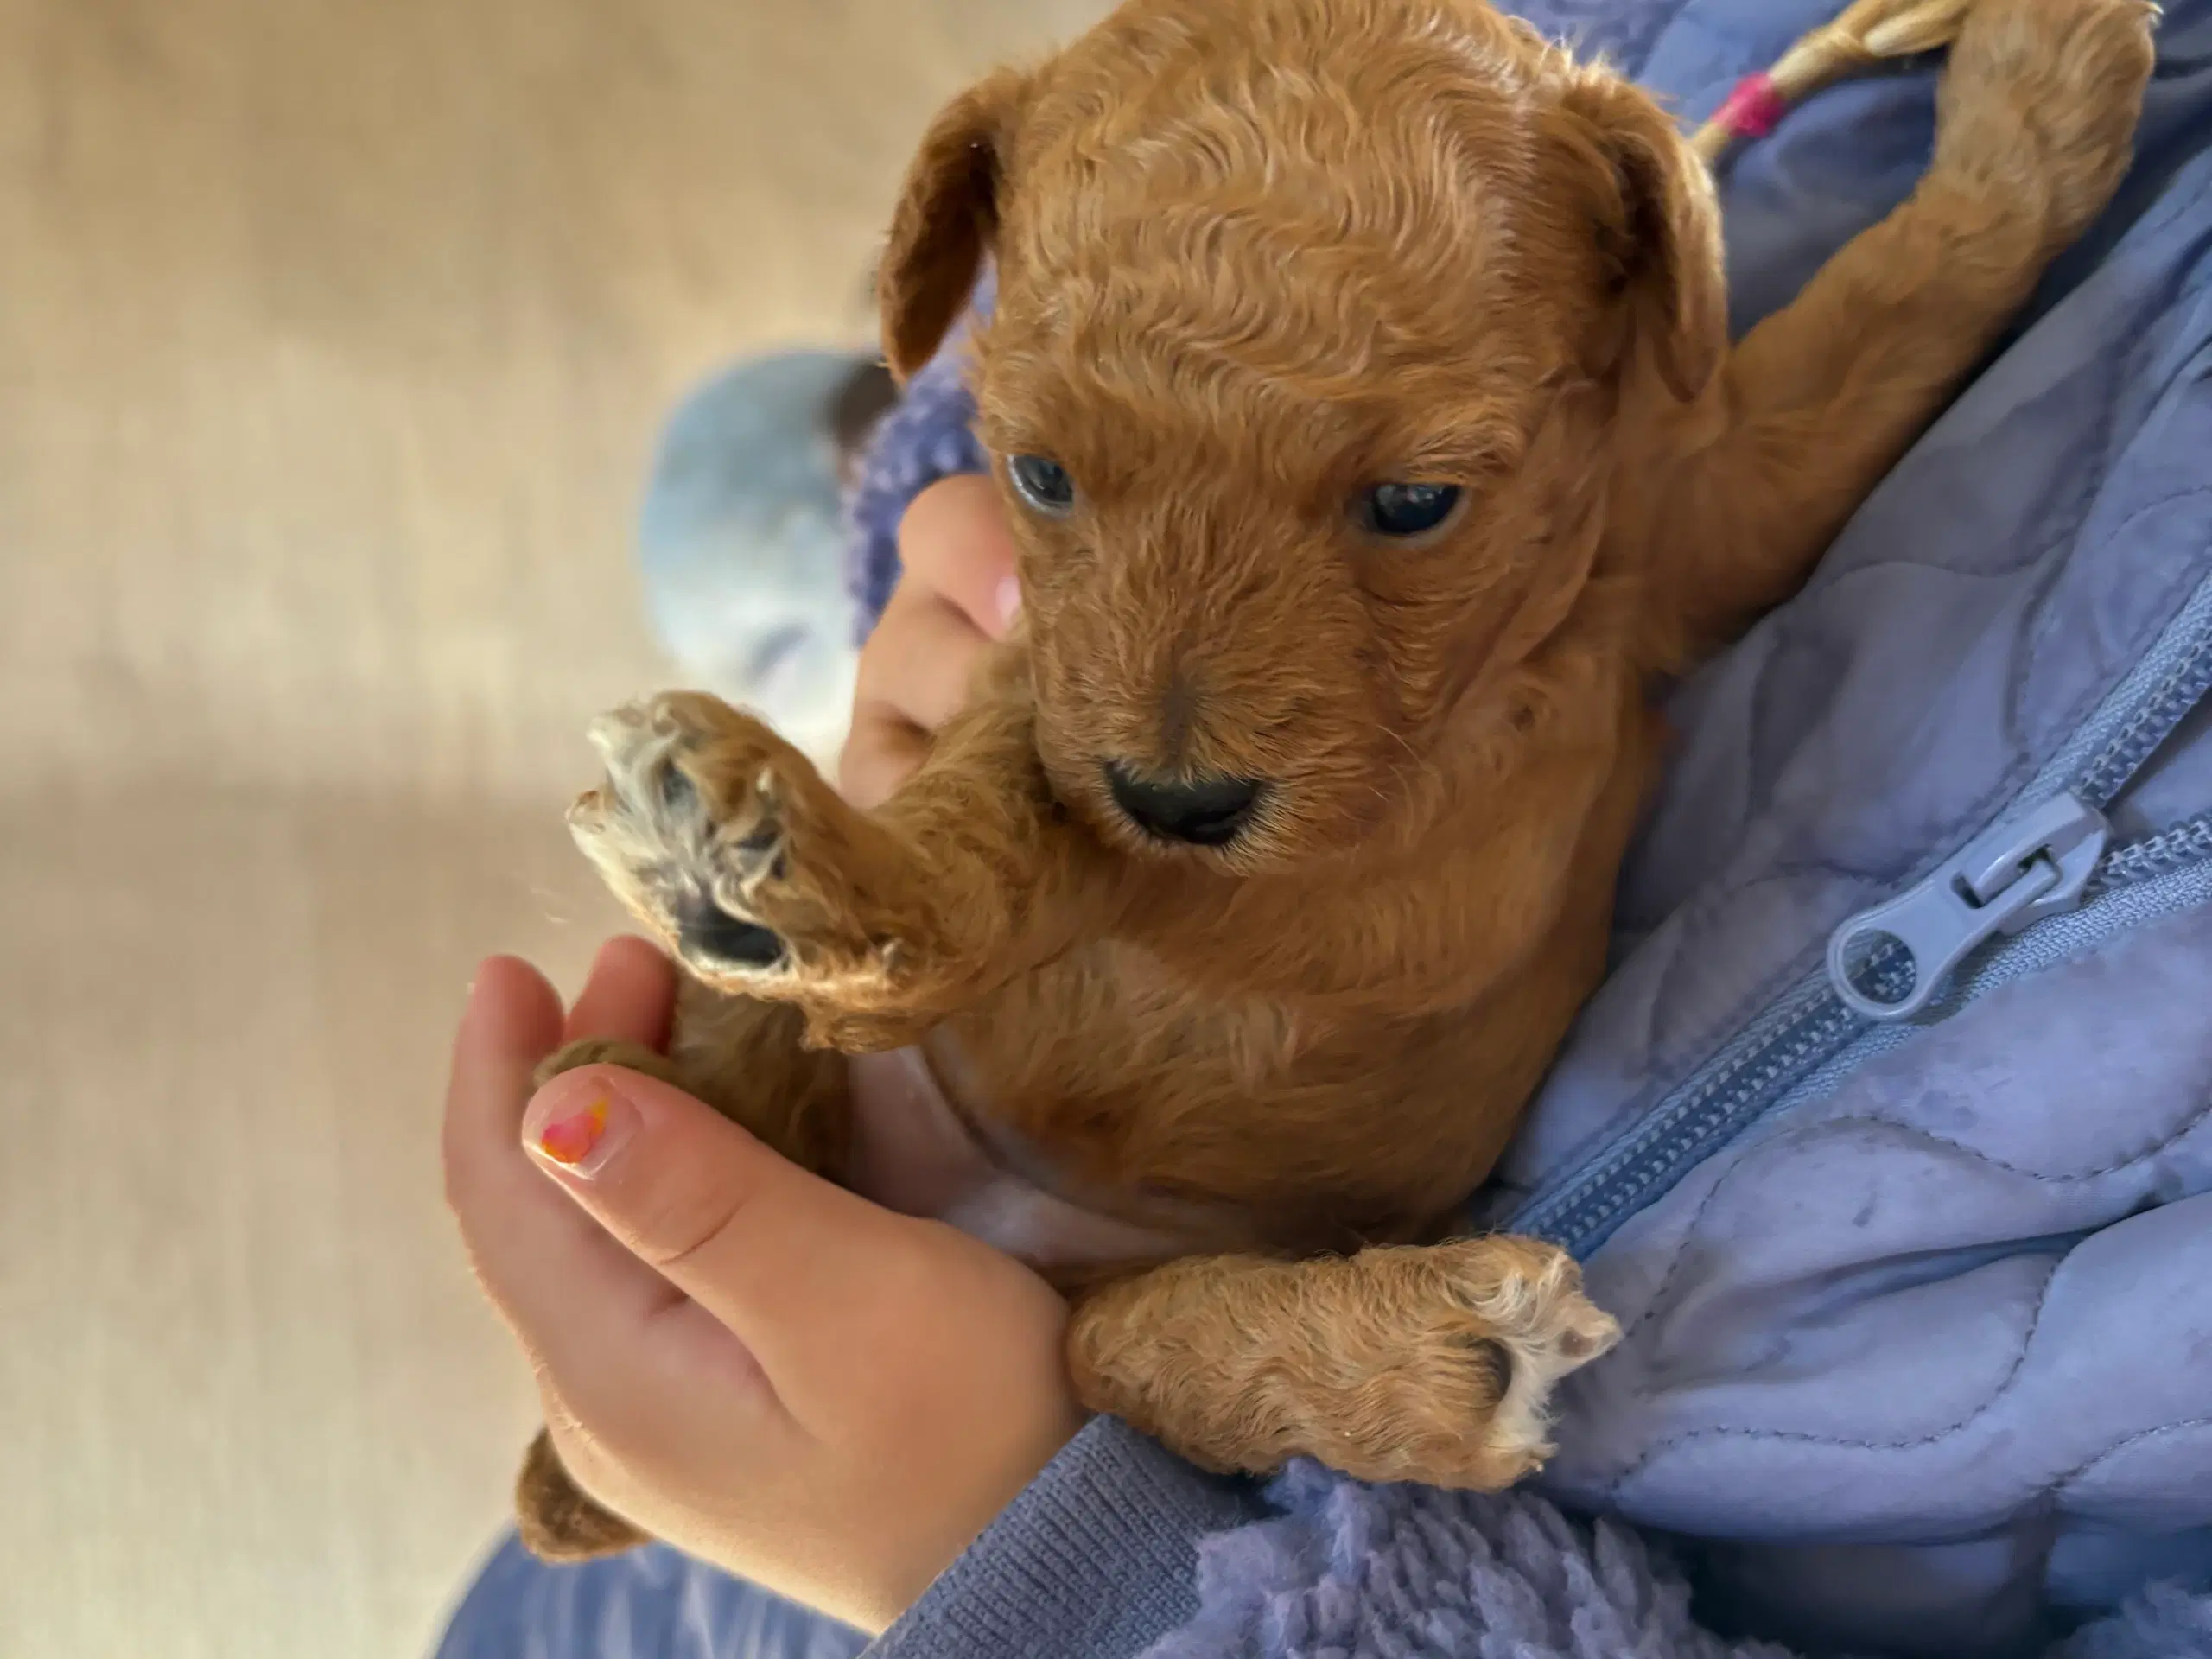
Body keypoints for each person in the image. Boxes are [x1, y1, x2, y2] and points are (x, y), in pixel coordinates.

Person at [437, 0, 2212, 1654]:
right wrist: (952, 518)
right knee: (871, 854)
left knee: (1180, 1325)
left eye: (1409, 504)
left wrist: (1057, 1562)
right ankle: (863, 830)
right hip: (773, 1262)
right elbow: (1103, 319)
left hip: (1208, 1517)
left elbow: (1779, 438)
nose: (1176, 741)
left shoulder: (1612, 498)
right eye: (1058, 465)